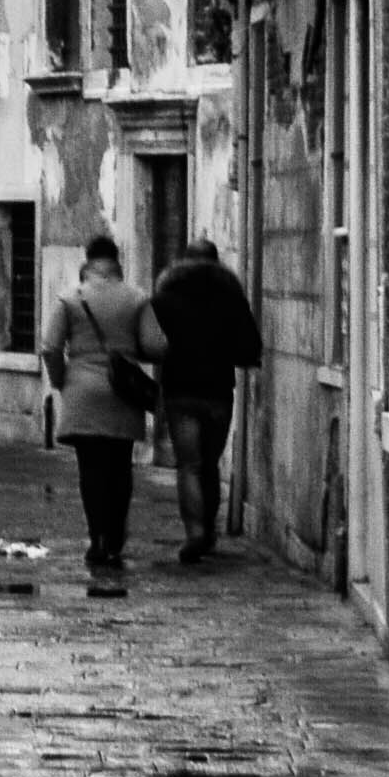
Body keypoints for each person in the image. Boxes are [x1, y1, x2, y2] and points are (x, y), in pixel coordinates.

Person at [39, 229, 164, 594]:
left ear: (88, 261)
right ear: (116, 260)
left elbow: (49, 347)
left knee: (90, 471)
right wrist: (127, 351)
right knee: (119, 468)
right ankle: (115, 536)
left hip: (81, 391)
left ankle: (97, 538)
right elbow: (157, 346)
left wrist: (62, 381)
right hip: (122, 393)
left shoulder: (69, 299)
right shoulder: (137, 298)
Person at [151, 231, 263, 565]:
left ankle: (195, 532)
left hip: (179, 390)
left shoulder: (166, 296)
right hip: (217, 392)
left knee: (189, 465)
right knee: (209, 464)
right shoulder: (230, 297)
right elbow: (250, 348)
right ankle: (209, 532)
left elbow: (151, 341)